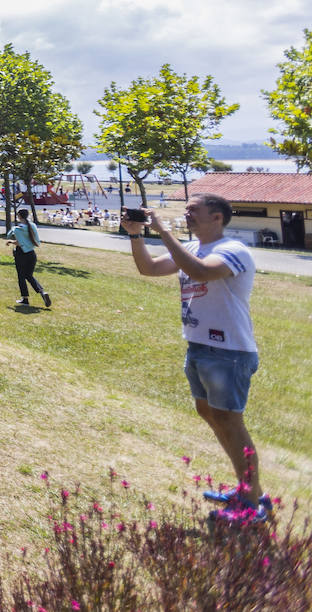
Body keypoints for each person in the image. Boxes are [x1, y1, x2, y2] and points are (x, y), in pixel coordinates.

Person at [123, 195, 269, 522]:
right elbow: (148, 268)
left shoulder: (233, 250)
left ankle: (251, 505)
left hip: (229, 352)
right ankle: (251, 489)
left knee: (230, 423)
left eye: (193, 210)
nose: (187, 214)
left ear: (217, 217)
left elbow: (201, 273)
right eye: (186, 209)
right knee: (210, 414)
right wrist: (135, 234)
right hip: (199, 346)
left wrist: (161, 230)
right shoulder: (189, 247)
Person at [5, 208, 50, 308]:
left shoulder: (18, 229)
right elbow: (30, 241)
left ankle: (25, 299)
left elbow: (19, 242)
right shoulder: (32, 226)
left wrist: (11, 242)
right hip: (32, 254)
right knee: (29, 275)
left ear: (19, 216)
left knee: (21, 277)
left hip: (21, 255)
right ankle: (42, 292)